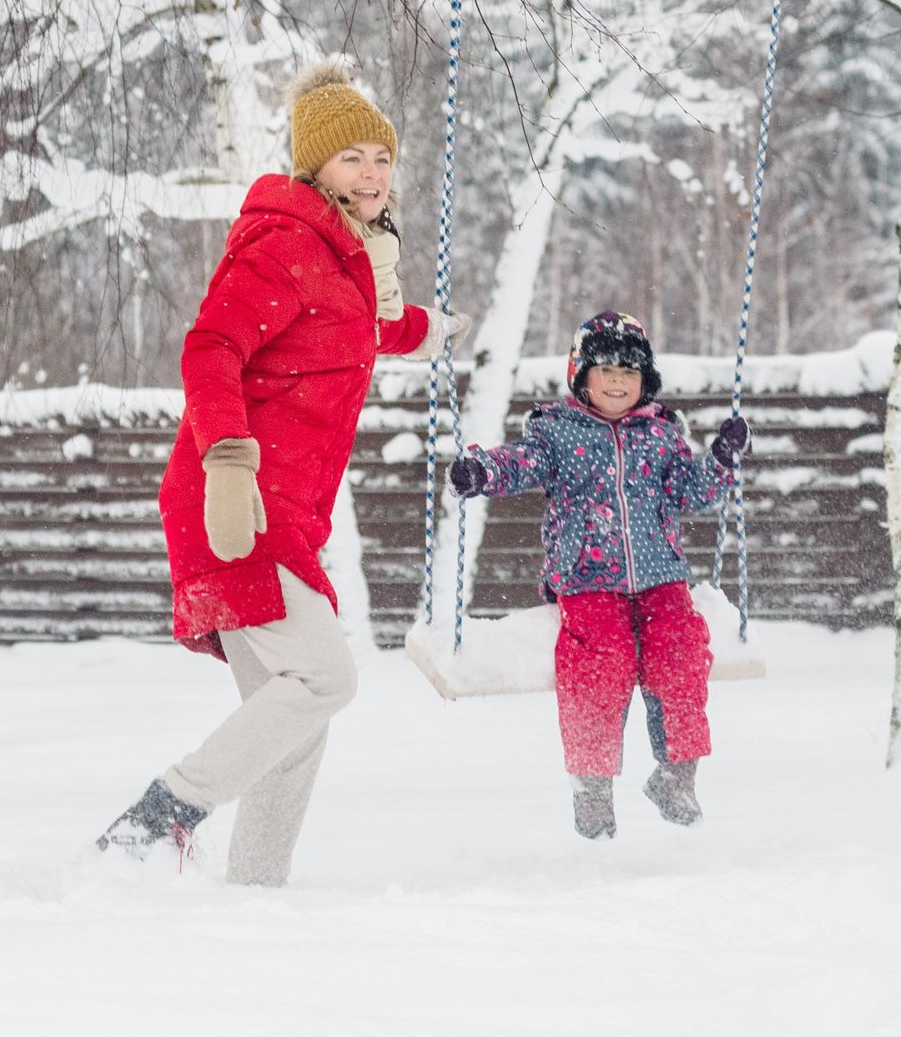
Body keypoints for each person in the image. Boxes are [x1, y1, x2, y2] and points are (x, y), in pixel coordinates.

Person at [96, 62, 467, 882]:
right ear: (314, 167)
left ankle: (253, 897)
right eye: (351, 159)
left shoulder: (347, 261)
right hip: (234, 498)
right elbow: (210, 347)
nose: (371, 174)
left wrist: (428, 331)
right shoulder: (291, 243)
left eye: (381, 157)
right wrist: (228, 460)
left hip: (285, 512)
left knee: (297, 723)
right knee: (325, 676)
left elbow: (366, 326)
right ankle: (161, 817)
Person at [448, 312, 750, 838]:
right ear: (580, 375)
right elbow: (519, 462)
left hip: (661, 577)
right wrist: (482, 471)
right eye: (605, 368)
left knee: (681, 651)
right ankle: (592, 791)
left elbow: (691, 492)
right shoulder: (556, 432)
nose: (617, 380)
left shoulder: (661, 434)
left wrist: (722, 459)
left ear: (645, 383)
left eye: (630, 372)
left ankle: (677, 775)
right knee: (600, 665)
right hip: (587, 578)